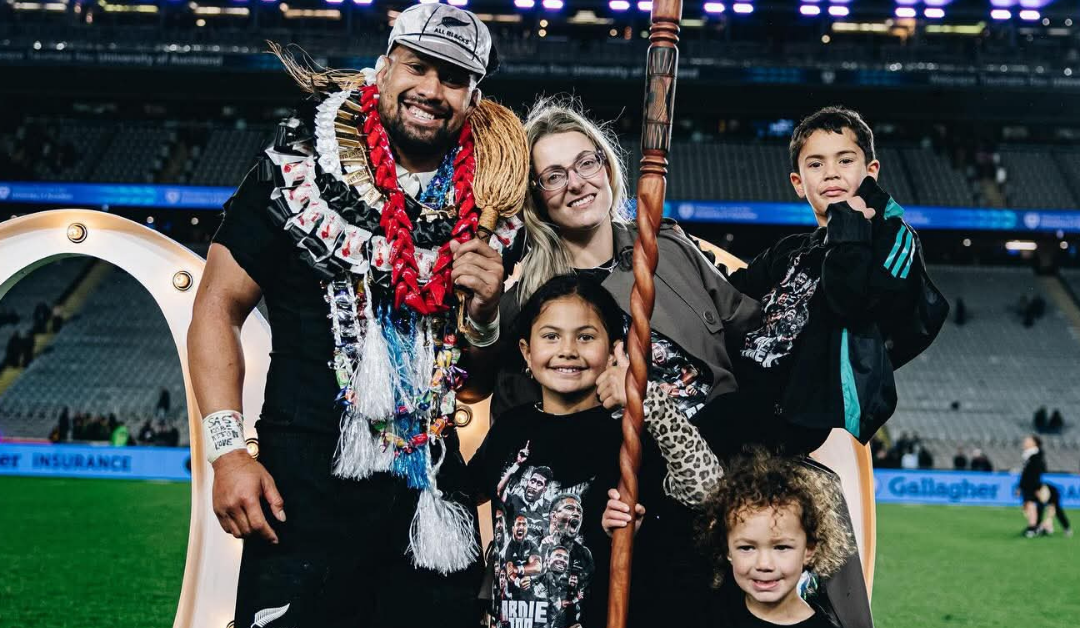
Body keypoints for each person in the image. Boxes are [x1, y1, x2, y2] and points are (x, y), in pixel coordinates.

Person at [187, 5, 520, 626]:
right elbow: (216, 306)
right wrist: (229, 454)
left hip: (430, 493)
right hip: (301, 485)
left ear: (474, 96)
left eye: (453, 78)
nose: (430, 90)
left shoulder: (498, 211)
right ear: (385, 64)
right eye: (417, 66)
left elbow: (471, 383)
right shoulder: (292, 168)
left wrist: (483, 316)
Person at [483, 97, 759, 628]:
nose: (577, 182)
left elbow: (748, 329)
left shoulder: (669, 250)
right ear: (536, 200)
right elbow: (518, 425)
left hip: (724, 455)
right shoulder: (530, 300)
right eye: (553, 175)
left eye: (586, 163)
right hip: (623, 484)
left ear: (607, 169)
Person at [469, 273, 718, 628]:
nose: (567, 350)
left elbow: (707, 491)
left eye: (585, 337)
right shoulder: (511, 428)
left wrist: (648, 401)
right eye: (551, 336)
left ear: (614, 349)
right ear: (527, 351)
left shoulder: (628, 432)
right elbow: (465, 494)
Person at [725, 105, 946, 449]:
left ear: (870, 171)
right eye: (816, 164)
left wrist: (851, 225)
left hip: (798, 419)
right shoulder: (789, 250)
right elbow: (729, 297)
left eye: (845, 161)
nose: (831, 173)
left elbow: (850, 301)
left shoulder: (893, 238)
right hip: (741, 392)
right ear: (798, 183)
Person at [696, 450, 855, 627]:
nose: (764, 564)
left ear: (809, 550)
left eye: (781, 548)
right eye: (747, 548)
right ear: (727, 549)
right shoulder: (709, 616)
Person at [1018, 434, 1047, 538]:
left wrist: (1035, 487)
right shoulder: (1029, 456)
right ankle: (1037, 527)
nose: (1025, 442)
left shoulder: (1035, 456)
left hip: (1032, 486)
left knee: (1031, 505)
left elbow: (1035, 473)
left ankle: (1033, 527)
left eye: (1027, 440)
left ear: (1034, 443)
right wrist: (1020, 486)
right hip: (1028, 485)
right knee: (1030, 505)